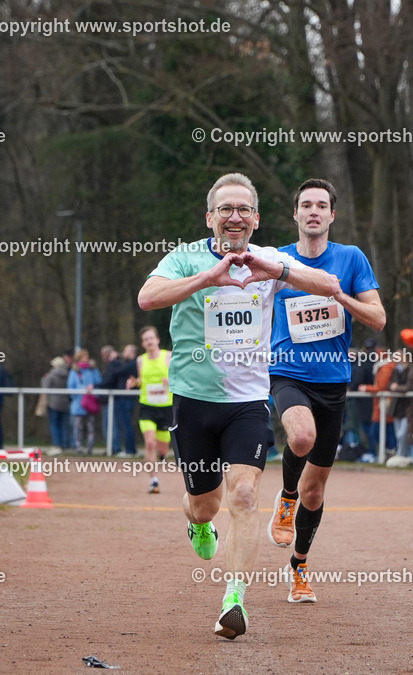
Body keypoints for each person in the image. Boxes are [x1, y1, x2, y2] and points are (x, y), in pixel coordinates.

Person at [137, 172, 340, 640]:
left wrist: (280, 271)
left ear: (256, 219)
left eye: (243, 209)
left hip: (247, 403)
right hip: (193, 402)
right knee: (204, 508)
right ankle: (196, 523)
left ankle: (234, 599)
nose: (234, 217)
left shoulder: (269, 259)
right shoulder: (185, 256)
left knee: (245, 495)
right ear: (210, 217)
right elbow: (147, 298)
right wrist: (209, 276)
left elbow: (328, 285)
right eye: (225, 209)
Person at [265, 178, 385, 603]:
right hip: (287, 372)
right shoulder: (276, 260)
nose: (313, 211)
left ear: (332, 215)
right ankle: (285, 496)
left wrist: (340, 296)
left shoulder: (351, 259)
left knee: (318, 491)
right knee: (300, 437)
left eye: (321, 205)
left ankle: (298, 566)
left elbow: (378, 318)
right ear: (295, 214)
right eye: (306, 205)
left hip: (333, 381)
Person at [126, 326, 172, 493]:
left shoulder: (168, 356)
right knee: (150, 443)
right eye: (146, 339)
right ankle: (154, 480)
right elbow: (142, 380)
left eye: (151, 338)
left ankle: (162, 456)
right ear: (142, 343)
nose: (149, 341)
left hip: (166, 408)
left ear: (157, 340)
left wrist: (171, 382)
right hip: (147, 407)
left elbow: (181, 378)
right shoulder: (140, 360)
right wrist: (134, 383)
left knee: (162, 448)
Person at [67, 349, 102, 454]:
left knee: (91, 426)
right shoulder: (74, 372)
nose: (86, 358)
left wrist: (94, 390)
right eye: (83, 357)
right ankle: (78, 447)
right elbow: (70, 387)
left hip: (90, 403)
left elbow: (99, 383)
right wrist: (79, 393)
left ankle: (90, 447)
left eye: (87, 356)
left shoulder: (93, 370)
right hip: (78, 404)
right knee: (78, 427)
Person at [41, 357, 72, 450]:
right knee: (64, 425)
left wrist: (44, 379)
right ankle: (65, 444)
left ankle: (57, 444)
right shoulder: (68, 374)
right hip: (65, 403)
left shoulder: (52, 375)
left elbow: (45, 386)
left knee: (54, 425)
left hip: (53, 403)